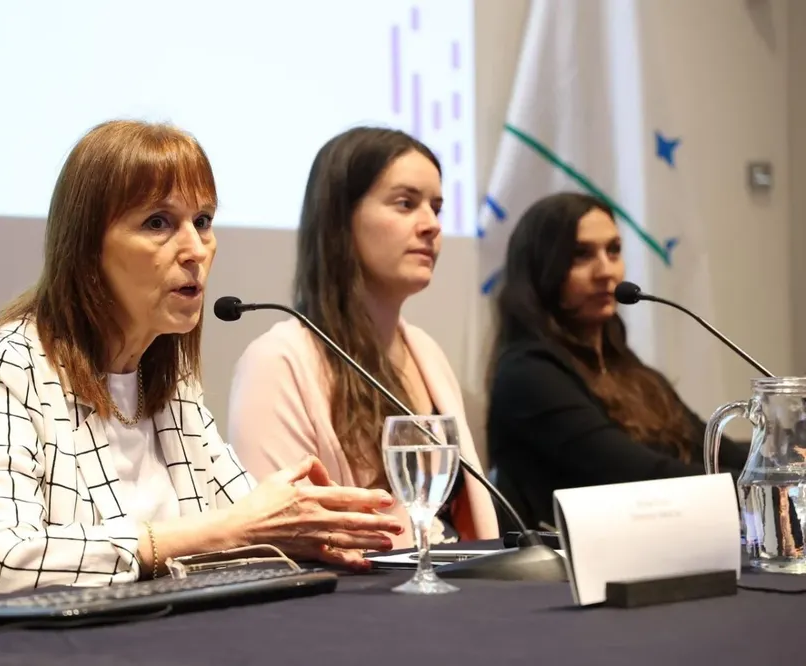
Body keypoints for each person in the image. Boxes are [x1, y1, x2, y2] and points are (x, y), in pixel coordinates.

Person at [0, 120, 404, 603]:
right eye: (158, 223)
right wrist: (223, 530)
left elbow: (241, 518)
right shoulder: (3, 369)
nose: (196, 250)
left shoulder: (169, 380)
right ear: (86, 247)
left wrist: (304, 525)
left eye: (202, 221)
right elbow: (8, 561)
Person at [227, 127, 499, 547]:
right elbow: (281, 539)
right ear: (341, 220)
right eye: (406, 204)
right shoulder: (278, 361)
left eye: (437, 208)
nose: (431, 225)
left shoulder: (426, 351)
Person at [486, 191, 750, 531]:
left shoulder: (631, 372)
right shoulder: (527, 373)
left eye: (613, 250)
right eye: (581, 255)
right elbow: (637, 475)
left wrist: (784, 463)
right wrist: (759, 486)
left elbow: (713, 451)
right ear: (540, 269)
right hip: (571, 571)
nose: (606, 271)